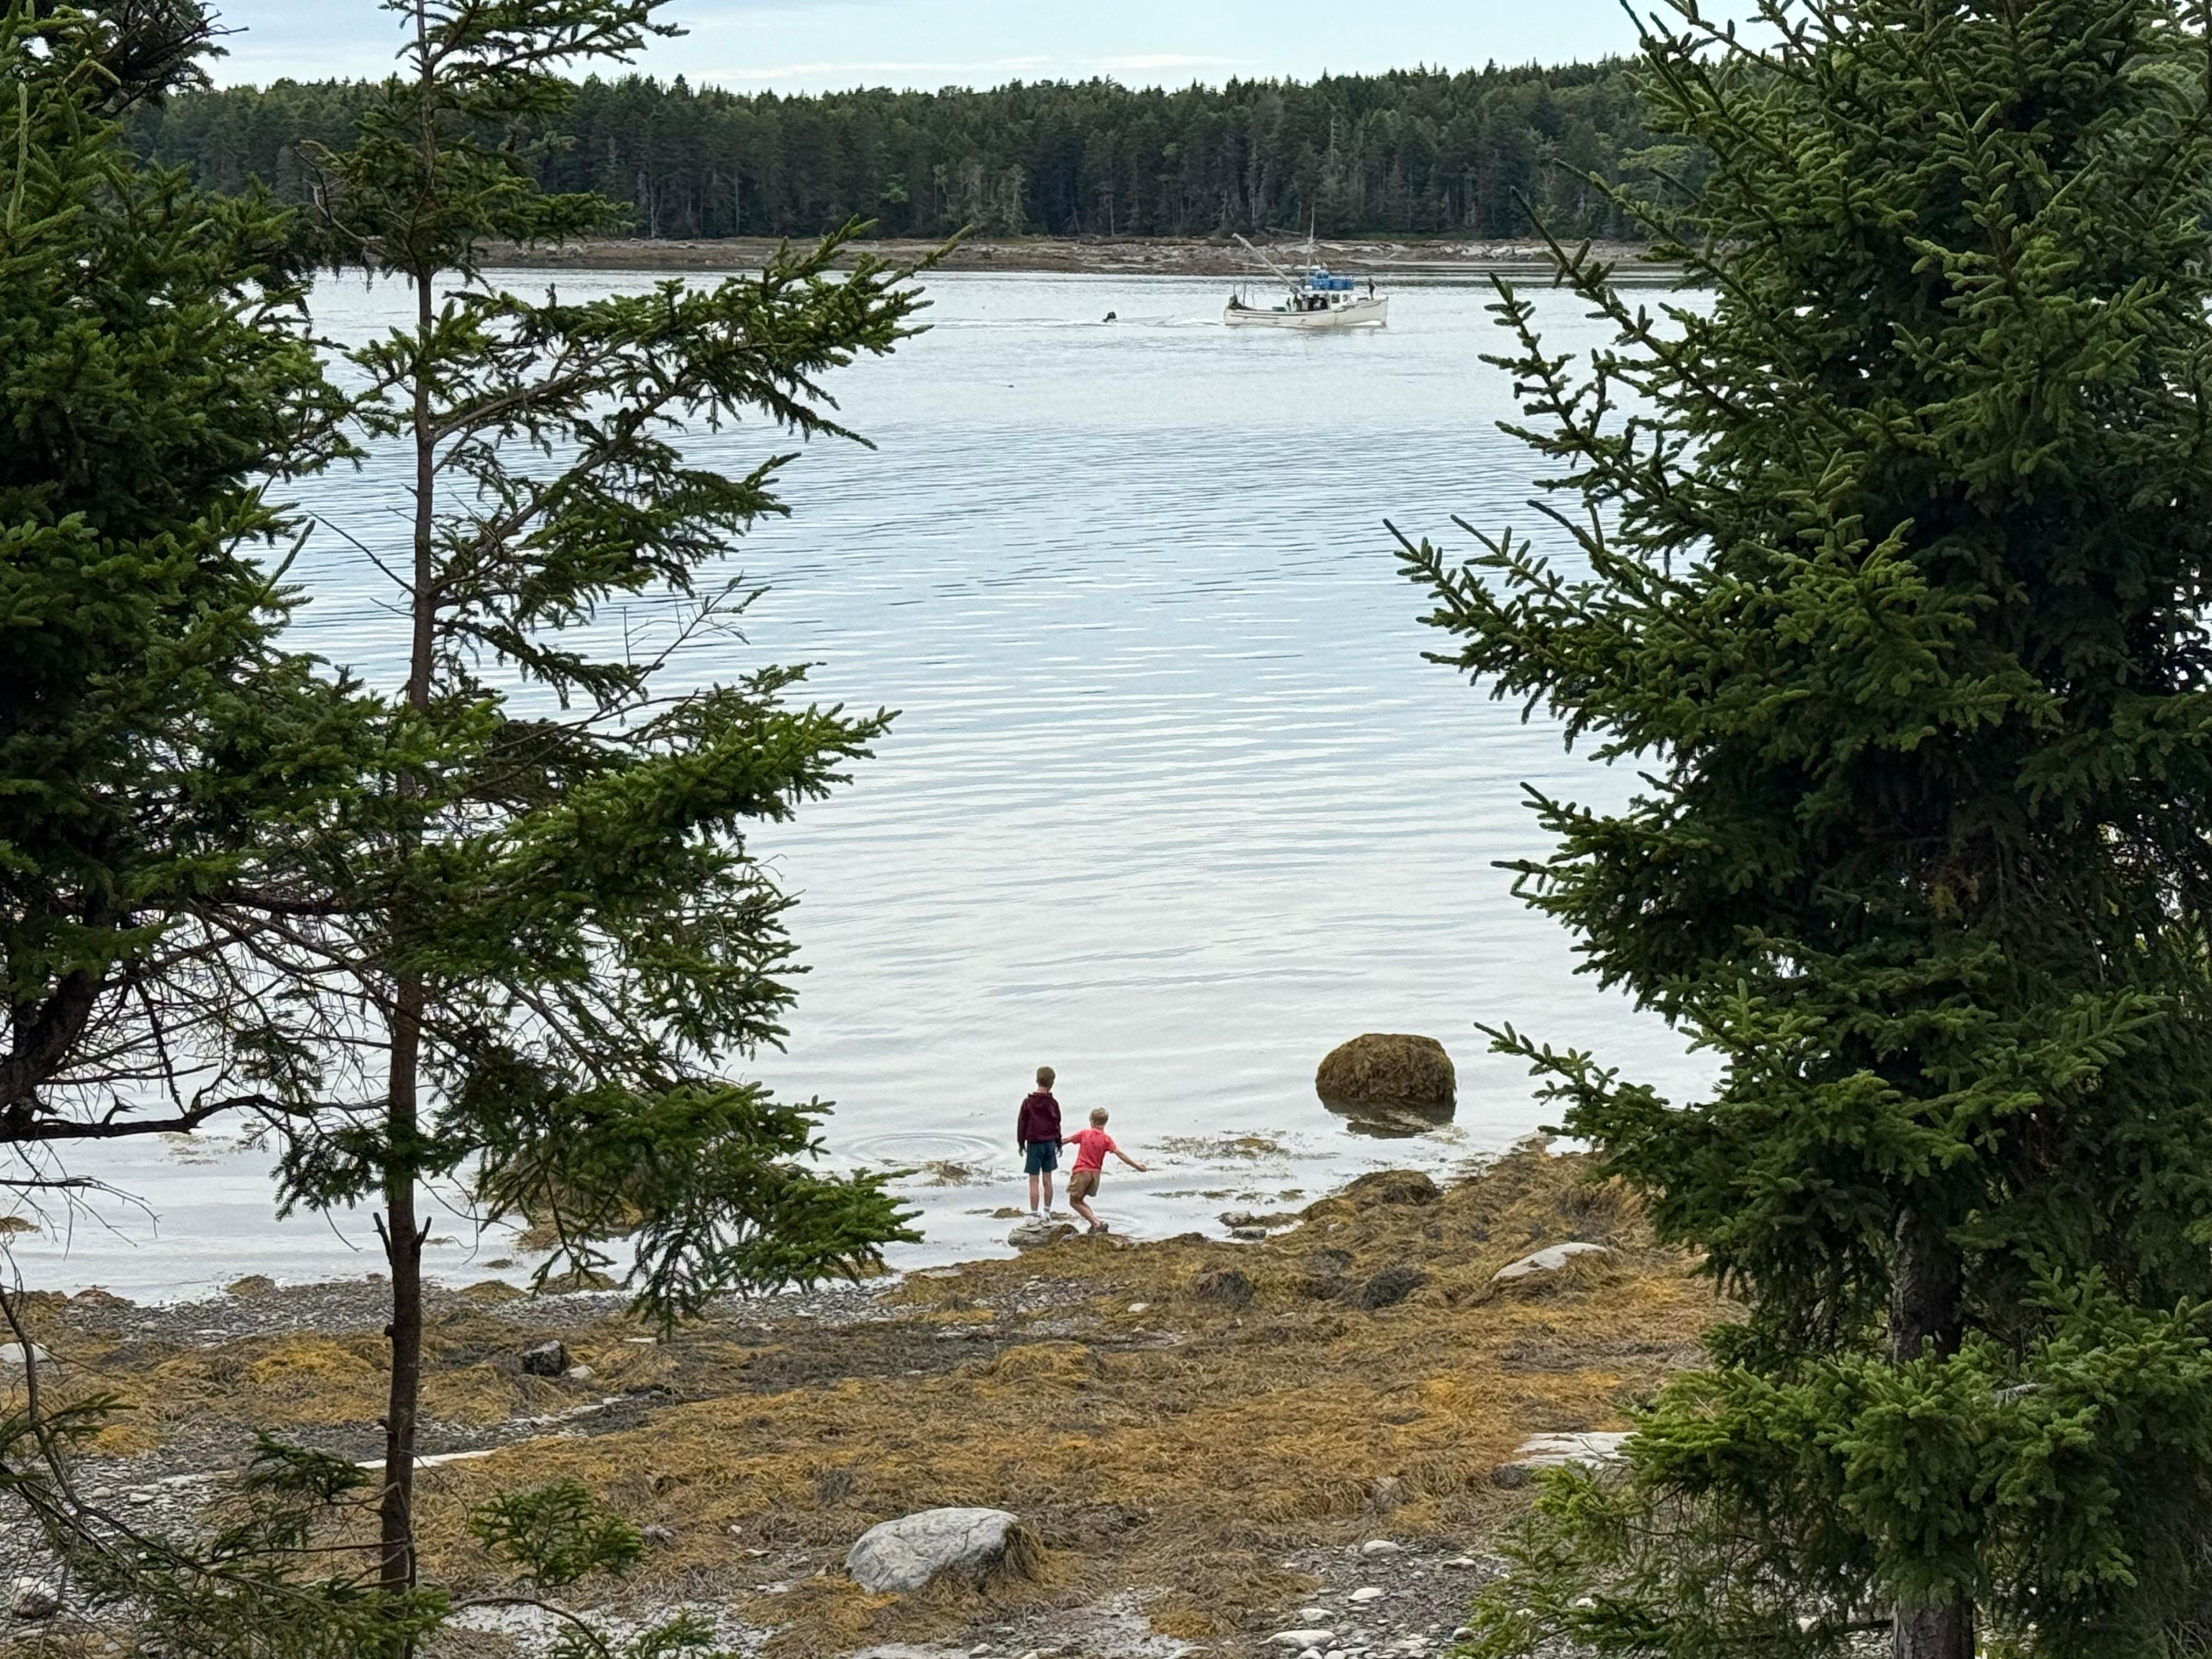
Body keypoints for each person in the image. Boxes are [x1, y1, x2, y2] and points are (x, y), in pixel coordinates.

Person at [1062, 1107, 1146, 1234]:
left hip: (1082, 1172)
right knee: (1080, 1200)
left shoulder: (1084, 1134)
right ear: (1105, 1122)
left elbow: (1065, 1141)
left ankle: (1095, 1223)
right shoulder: (1107, 1140)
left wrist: (1049, 1143)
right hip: (1095, 1175)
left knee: (1074, 1202)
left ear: (1092, 1121)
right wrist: (1137, 1166)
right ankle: (1097, 1222)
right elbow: (1121, 1155)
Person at [1016, 1066, 1063, 1216]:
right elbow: (1057, 1124)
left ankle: (1035, 1213)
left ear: (1037, 1080)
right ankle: (1047, 1212)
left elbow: (1022, 1124)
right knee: (1048, 1179)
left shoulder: (1028, 1103)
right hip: (1050, 1143)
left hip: (1034, 1144)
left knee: (1034, 1180)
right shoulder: (1053, 1103)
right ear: (1052, 1083)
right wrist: (1059, 1143)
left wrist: (1021, 1143)